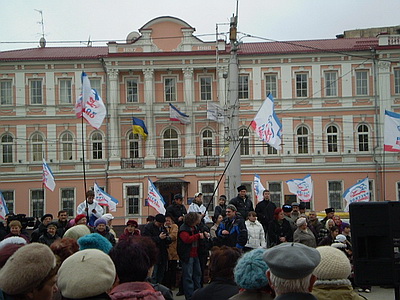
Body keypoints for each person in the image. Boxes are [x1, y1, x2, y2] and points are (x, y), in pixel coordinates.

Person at [177, 212, 208, 300]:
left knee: (197, 274)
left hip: (195, 254)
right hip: (188, 255)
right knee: (188, 276)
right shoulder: (183, 229)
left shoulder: (195, 227)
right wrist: (198, 236)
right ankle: (190, 296)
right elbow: (187, 239)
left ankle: (197, 293)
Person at [142, 214, 172, 284]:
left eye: (162, 224)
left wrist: (167, 238)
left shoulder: (162, 228)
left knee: (161, 274)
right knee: (154, 275)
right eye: (159, 224)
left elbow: (167, 239)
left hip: (162, 254)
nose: (161, 225)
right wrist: (158, 238)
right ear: (155, 221)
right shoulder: (148, 228)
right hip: (154, 254)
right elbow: (146, 240)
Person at [164, 215, 179, 290]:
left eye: (168, 220)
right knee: (166, 269)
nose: (167, 222)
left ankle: (172, 284)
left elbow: (174, 236)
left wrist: (167, 237)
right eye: (166, 220)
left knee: (173, 269)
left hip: (173, 251)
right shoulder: (164, 227)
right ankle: (167, 284)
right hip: (166, 252)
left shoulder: (174, 226)